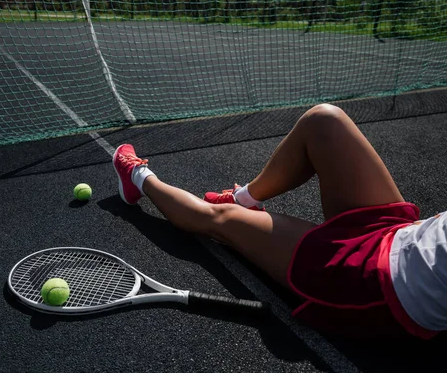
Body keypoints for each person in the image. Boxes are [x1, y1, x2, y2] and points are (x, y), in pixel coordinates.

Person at [111, 103, 445, 340]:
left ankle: (137, 175)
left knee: (218, 218)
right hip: (399, 235)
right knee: (324, 120)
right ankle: (243, 198)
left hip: (377, 281)